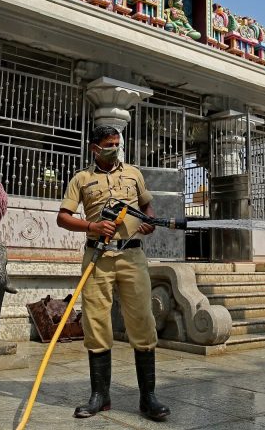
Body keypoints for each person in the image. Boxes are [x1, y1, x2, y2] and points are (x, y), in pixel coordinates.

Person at [57, 125, 170, 421]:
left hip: (132, 256)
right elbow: (63, 218)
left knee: (142, 320)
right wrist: (92, 227)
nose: (115, 148)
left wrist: (150, 222)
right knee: (96, 321)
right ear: (95, 148)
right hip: (98, 257)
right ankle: (100, 396)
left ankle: (148, 398)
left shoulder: (133, 173)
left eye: (117, 144)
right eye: (109, 144)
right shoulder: (81, 179)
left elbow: (148, 208)